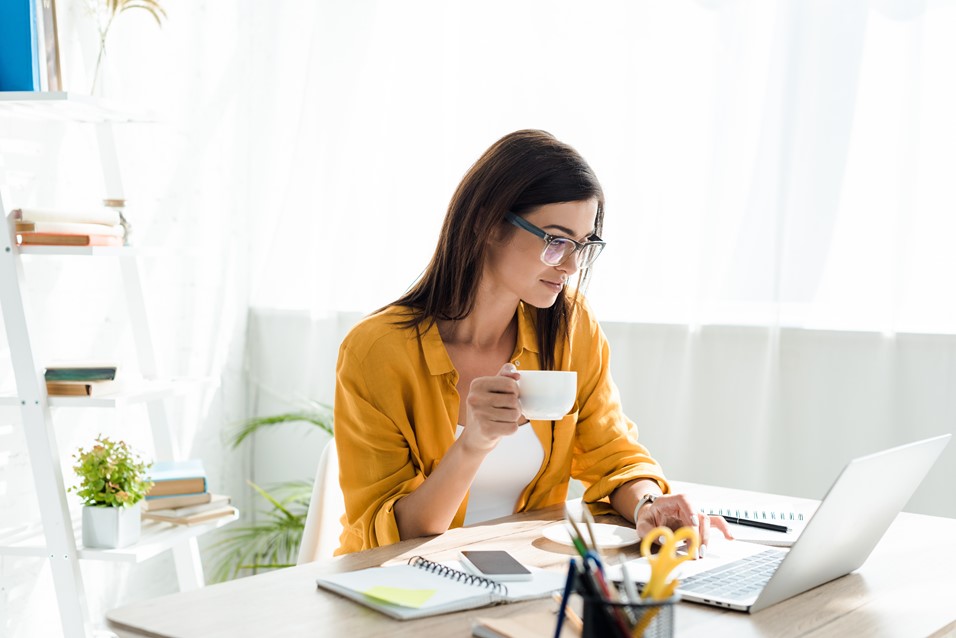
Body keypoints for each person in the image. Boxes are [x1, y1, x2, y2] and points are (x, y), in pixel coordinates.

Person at [333, 129, 731, 556]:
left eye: (584, 245)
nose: (573, 265)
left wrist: (648, 504)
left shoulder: (570, 325)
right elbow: (394, 535)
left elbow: (612, 454)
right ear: (488, 223)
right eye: (556, 241)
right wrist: (474, 443)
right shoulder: (377, 352)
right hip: (403, 588)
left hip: (526, 579)